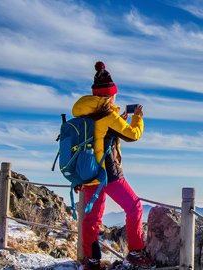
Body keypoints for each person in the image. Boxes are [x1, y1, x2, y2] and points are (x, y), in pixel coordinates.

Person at [73, 61, 152, 270]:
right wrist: (137, 118)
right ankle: (135, 252)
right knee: (134, 207)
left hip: (88, 172)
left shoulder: (84, 112)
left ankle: (91, 261)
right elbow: (133, 135)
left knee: (92, 219)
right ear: (110, 95)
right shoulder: (107, 115)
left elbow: (101, 134)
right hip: (107, 173)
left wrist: (120, 120)